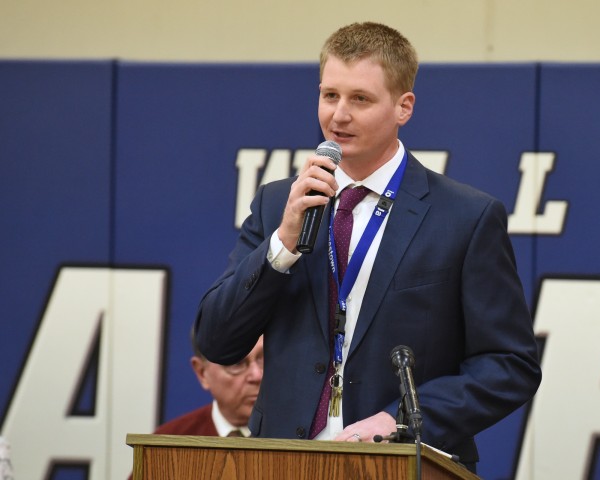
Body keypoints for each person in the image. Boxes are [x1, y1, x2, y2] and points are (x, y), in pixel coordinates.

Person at [194, 21, 541, 473]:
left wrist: (399, 422)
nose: (339, 115)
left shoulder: (466, 217)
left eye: (360, 99)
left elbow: (509, 365)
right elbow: (217, 341)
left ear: (404, 107)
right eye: (330, 95)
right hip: (284, 460)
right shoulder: (280, 203)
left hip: (398, 462)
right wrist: (282, 245)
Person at [154, 332, 263, 437]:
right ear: (202, 373)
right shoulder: (168, 442)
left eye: (264, 358)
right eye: (237, 363)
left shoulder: (280, 433)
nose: (257, 376)